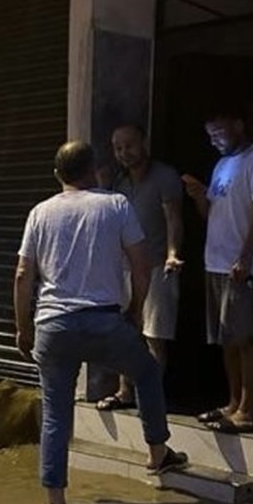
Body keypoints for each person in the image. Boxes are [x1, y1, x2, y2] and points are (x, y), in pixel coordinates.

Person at [14, 140, 188, 504]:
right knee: (146, 372)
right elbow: (141, 265)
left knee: (57, 412)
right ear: (94, 169)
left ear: (57, 174)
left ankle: (56, 498)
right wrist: (137, 310)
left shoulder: (40, 213)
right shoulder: (115, 205)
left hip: (52, 326)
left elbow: (23, 275)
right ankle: (157, 454)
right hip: (104, 322)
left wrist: (23, 328)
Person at [182, 107, 253, 434]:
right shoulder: (222, 164)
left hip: (241, 265)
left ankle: (248, 411)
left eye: (220, 133)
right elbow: (212, 213)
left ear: (238, 124)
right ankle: (233, 402)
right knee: (227, 339)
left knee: (245, 338)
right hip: (215, 262)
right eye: (211, 136)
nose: (215, 141)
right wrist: (198, 196)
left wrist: (247, 256)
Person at [96, 124, 184, 411]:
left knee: (154, 335)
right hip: (124, 268)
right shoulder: (119, 184)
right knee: (125, 333)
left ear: (143, 142)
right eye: (118, 148)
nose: (124, 153)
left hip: (157, 265)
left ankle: (151, 395)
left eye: (129, 145)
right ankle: (125, 392)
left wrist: (173, 253)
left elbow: (173, 218)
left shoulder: (165, 177)